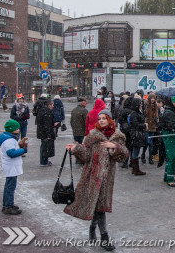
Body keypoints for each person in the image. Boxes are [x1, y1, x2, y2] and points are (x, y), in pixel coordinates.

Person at [64, 109, 128, 251]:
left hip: (106, 179)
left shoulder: (117, 137)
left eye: (104, 118)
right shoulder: (92, 136)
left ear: (110, 120)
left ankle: (92, 229)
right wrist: (76, 148)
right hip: (92, 177)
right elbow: (86, 156)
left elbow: (123, 156)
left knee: (98, 206)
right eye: (99, 119)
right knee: (100, 208)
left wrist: (115, 147)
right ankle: (104, 238)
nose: (101, 121)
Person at [0, 120, 28, 215]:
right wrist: (23, 150)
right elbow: (11, 153)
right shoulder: (9, 141)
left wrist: (19, 146)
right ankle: (8, 206)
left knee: (9, 186)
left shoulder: (8, 139)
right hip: (11, 167)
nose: (19, 129)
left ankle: (7, 204)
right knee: (10, 187)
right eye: (17, 128)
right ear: (13, 129)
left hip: (11, 167)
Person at [128, 97, 147, 175]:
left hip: (137, 134)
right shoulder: (134, 114)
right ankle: (136, 169)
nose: (141, 105)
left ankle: (134, 168)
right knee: (136, 151)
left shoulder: (137, 112)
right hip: (136, 135)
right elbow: (135, 125)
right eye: (140, 104)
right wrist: (144, 125)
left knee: (135, 151)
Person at [70, 97, 88, 165]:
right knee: (82, 147)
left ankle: (77, 159)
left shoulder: (74, 110)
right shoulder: (84, 111)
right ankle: (82, 159)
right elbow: (86, 122)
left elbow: (71, 121)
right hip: (82, 132)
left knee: (76, 146)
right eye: (85, 101)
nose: (86, 103)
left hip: (75, 132)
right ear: (82, 102)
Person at [37, 99, 55, 166]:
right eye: (52, 105)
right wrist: (49, 134)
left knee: (43, 146)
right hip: (45, 132)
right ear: (49, 105)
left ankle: (44, 161)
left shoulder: (41, 110)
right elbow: (47, 124)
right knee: (45, 147)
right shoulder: (47, 112)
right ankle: (44, 161)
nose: (53, 106)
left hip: (42, 131)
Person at [142, 93, 159, 164]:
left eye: (154, 98)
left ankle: (150, 158)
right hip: (146, 125)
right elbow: (143, 114)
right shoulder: (145, 105)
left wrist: (156, 118)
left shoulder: (155, 106)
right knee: (147, 142)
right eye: (151, 98)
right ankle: (143, 155)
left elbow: (157, 115)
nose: (152, 99)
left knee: (151, 143)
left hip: (153, 125)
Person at [117, 96, 132, 169]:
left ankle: (125, 162)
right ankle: (132, 162)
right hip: (131, 130)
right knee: (131, 147)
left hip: (124, 130)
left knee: (126, 146)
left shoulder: (123, 110)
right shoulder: (133, 110)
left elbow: (119, 120)